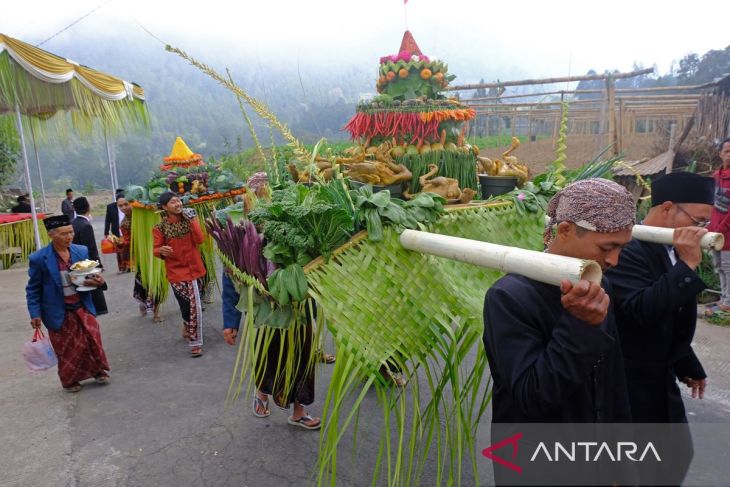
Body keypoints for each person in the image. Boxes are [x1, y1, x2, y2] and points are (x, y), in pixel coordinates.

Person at [482, 178, 636, 485]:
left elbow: (612, 379)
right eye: (607, 247)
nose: (614, 261)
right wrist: (579, 325)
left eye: (622, 247)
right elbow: (532, 397)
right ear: (565, 230)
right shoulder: (510, 296)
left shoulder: (600, 285)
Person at [606, 172, 713, 485]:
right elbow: (643, 310)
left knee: (676, 455)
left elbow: (672, 317)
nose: (702, 231)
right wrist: (688, 266)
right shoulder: (628, 248)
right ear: (668, 208)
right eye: (698, 220)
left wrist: (686, 362)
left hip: (659, 373)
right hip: (629, 380)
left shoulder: (671, 247)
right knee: (641, 468)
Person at [221, 272, 321, 429]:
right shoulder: (246, 246)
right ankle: (262, 391)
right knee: (266, 354)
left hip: (299, 304)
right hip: (264, 307)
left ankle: (298, 412)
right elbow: (231, 272)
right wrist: (230, 321)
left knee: (302, 357)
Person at [25, 214, 110, 393]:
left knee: (91, 339)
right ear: (51, 235)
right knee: (66, 348)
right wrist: (35, 314)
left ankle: (98, 370)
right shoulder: (39, 259)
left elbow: (92, 275)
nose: (69, 237)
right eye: (63, 234)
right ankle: (70, 380)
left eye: (70, 232)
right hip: (58, 310)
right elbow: (33, 289)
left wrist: (99, 282)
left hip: (82, 305)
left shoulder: (81, 251)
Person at [153, 192, 206, 357]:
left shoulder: (190, 220)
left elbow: (200, 240)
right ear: (164, 207)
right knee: (187, 304)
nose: (177, 204)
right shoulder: (159, 228)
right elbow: (155, 249)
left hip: (195, 270)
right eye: (172, 202)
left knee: (194, 304)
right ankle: (194, 339)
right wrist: (160, 250)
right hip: (176, 273)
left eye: (178, 201)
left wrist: (193, 220)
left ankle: (194, 338)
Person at [117, 196, 161, 321]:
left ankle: (156, 311)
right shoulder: (124, 224)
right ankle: (143, 302)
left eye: (126, 204)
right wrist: (119, 243)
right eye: (120, 206)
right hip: (141, 256)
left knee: (156, 280)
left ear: (133, 203)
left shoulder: (146, 214)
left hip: (155, 252)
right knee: (143, 281)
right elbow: (127, 242)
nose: (124, 208)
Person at [71, 197, 108, 316]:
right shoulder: (86, 225)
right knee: (93, 290)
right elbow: (91, 249)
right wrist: (98, 265)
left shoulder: (73, 224)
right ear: (88, 207)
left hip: (75, 264)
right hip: (87, 265)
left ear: (74, 209)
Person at [708, 137, 730, 314]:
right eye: (727, 151)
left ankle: (728, 302)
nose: (729, 155)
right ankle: (724, 298)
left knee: (728, 266)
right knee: (719, 266)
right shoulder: (715, 177)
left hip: (727, 233)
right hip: (713, 232)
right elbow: (709, 204)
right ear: (720, 154)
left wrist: (722, 227)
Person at [105, 189, 129, 273]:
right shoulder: (110, 207)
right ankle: (122, 267)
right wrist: (106, 233)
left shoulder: (129, 205)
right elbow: (107, 220)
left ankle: (130, 266)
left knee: (129, 249)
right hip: (117, 232)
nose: (123, 206)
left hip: (127, 231)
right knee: (119, 250)